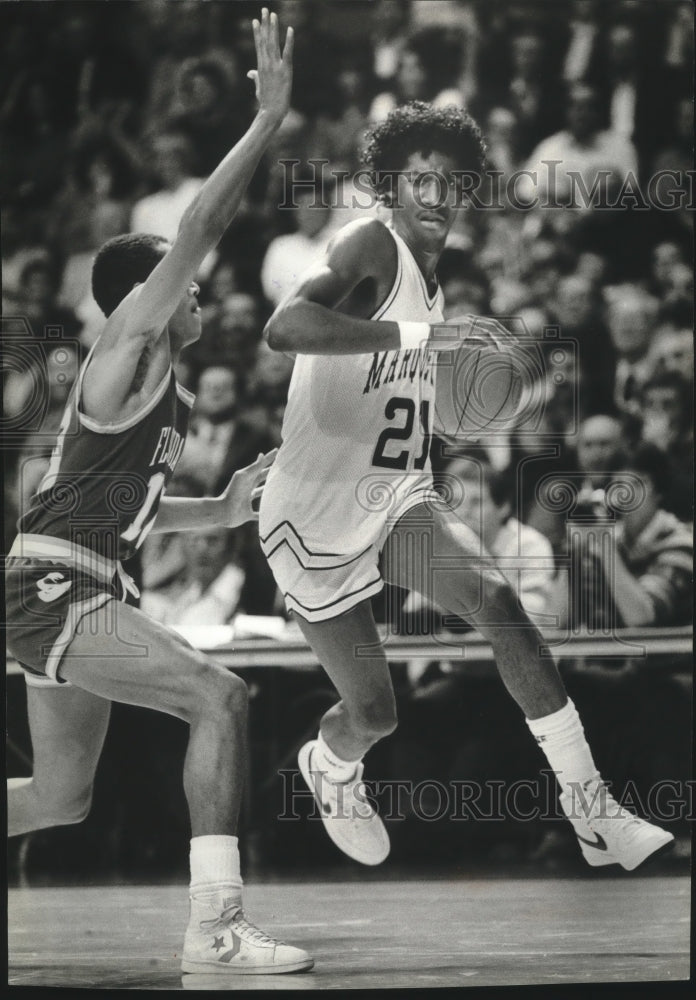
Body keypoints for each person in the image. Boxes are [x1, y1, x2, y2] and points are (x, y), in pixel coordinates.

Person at [260, 100, 673, 873]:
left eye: (451, 182)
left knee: (498, 600)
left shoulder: (435, 287)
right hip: (310, 516)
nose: (439, 195)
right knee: (374, 715)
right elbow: (285, 328)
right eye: (421, 180)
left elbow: (403, 408)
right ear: (390, 185)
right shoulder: (369, 243)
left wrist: (485, 397)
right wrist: (426, 340)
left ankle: (593, 813)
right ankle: (331, 765)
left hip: (393, 501)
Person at [6, 10, 312, 976]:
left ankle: (216, 923)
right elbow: (199, 226)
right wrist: (264, 124)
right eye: (185, 286)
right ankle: (216, 924)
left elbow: (122, 508)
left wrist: (217, 510)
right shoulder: (128, 346)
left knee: (59, 799)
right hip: (59, 589)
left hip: (70, 576)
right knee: (220, 698)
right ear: (149, 293)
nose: (200, 294)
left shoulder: (156, 392)